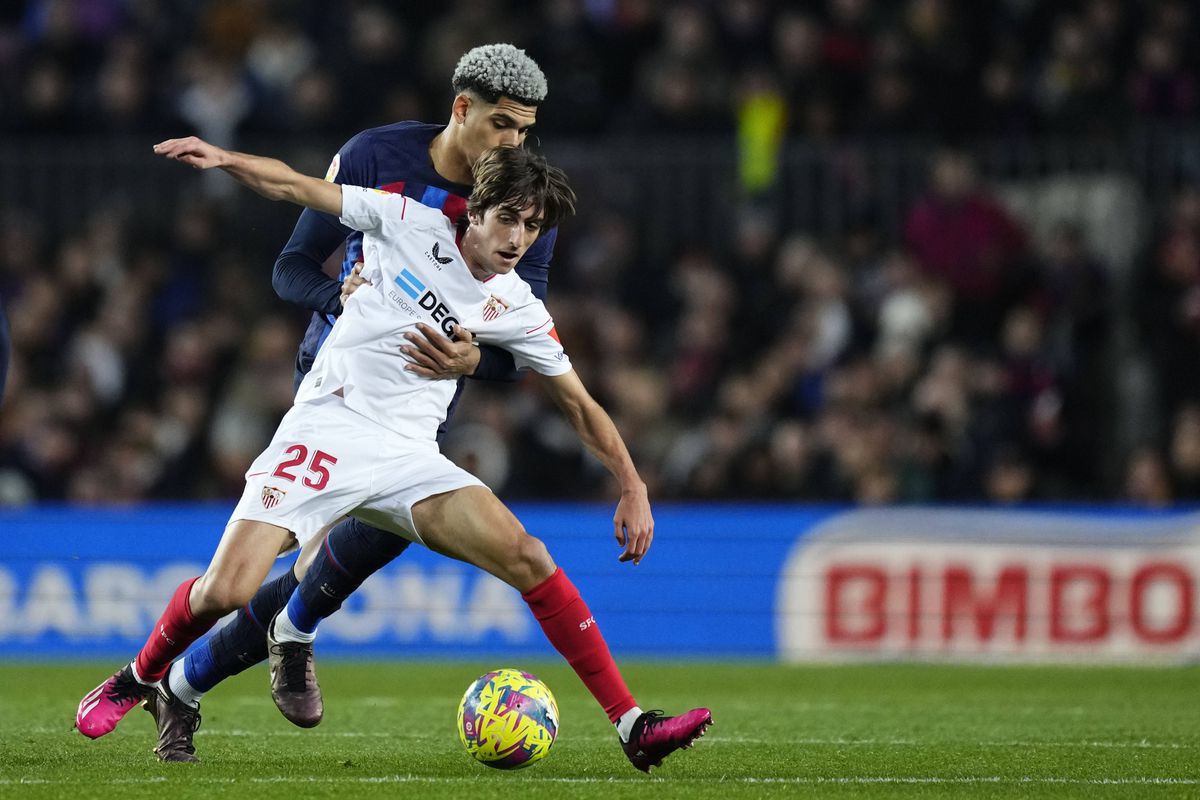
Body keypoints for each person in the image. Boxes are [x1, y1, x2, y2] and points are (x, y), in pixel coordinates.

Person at [76, 139, 714, 773]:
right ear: (476, 212)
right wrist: (228, 160)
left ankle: (633, 725)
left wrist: (632, 483)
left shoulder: (517, 305)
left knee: (529, 556)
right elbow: (299, 188)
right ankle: (140, 677)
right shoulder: (406, 221)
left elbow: (579, 405)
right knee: (226, 589)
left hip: (410, 458)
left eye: (533, 225)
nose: (519, 238)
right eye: (509, 219)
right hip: (328, 428)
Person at [99, 44, 560, 763]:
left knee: (346, 555)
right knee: (290, 568)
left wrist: (477, 359)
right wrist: (337, 301)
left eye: (525, 130)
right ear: (462, 107)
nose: (513, 143)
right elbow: (289, 268)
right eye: (503, 125)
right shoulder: (376, 157)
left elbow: (521, 338)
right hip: (337, 377)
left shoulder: (524, 204)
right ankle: (269, 644)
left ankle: (216, 670)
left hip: (428, 393)